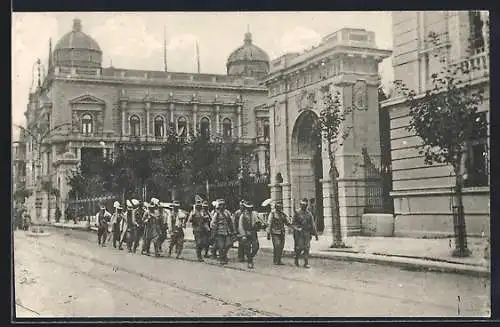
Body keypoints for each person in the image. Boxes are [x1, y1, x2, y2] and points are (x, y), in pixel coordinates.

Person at [292, 199, 319, 268]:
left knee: (307, 248)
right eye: (302, 205)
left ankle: (306, 263)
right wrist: (297, 228)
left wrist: (316, 235)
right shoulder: (297, 213)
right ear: (301, 205)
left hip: (307, 232)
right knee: (299, 247)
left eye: (305, 205)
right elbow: (293, 224)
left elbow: (313, 224)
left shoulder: (309, 214)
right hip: (299, 233)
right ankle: (296, 258)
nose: (304, 206)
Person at [211, 199, 235, 265]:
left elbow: (231, 221)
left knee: (228, 244)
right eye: (221, 205)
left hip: (227, 231)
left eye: (223, 205)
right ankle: (222, 259)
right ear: (219, 206)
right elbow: (212, 223)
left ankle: (224, 255)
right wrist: (214, 230)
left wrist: (232, 230)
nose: (222, 206)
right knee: (221, 246)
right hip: (219, 232)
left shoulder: (227, 212)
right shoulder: (217, 214)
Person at [238, 201, 260, 269]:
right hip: (246, 233)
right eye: (248, 207)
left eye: (251, 207)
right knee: (247, 248)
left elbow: (257, 222)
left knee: (256, 247)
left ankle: (250, 257)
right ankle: (250, 261)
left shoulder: (254, 214)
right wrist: (243, 235)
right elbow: (240, 226)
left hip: (253, 233)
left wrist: (259, 224)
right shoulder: (242, 215)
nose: (250, 209)